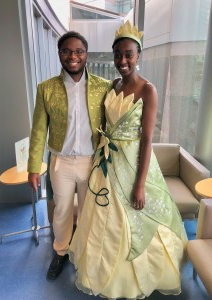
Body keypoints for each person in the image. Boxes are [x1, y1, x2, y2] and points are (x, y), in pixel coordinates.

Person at [69, 21, 188, 299]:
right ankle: (100, 269)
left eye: (129, 54)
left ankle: (135, 276)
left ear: (138, 56)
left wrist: (140, 184)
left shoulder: (148, 89)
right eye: (118, 54)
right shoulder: (113, 84)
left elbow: (147, 140)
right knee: (100, 217)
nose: (122, 60)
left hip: (133, 162)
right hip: (106, 161)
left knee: (133, 216)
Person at [27, 31, 111, 280]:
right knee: (62, 210)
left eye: (79, 51)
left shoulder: (103, 87)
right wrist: (34, 167)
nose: (73, 56)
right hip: (60, 162)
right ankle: (61, 252)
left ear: (86, 55)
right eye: (67, 51)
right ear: (59, 54)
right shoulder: (46, 89)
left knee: (88, 211)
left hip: (91, 162)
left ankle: (85, 252)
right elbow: (39, 130)